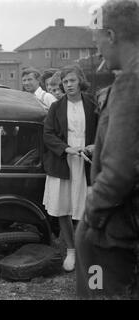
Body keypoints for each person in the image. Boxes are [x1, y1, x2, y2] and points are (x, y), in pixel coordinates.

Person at [76, 0, 139, 298]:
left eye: (96, 39)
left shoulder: (131, 82)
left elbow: (120, 169)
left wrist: (92, 216)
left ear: (111, 35)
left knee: (99, 291)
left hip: (115, 232)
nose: (96, 48)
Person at [43, 65, 98, 272]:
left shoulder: (92, 102)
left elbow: (104, 127)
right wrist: (66, 148)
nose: (68, 85)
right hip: (63, 162)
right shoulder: (56, 107)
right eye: (65, 82)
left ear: (80, 81)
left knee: (86, 209)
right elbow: (48, 135)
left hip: (87, 163)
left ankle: (88, 251)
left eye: (72, 81)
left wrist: (95, 145)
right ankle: (71, 250)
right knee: (63, 208)